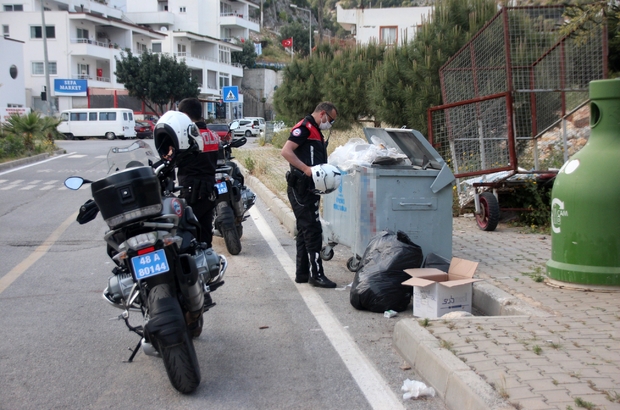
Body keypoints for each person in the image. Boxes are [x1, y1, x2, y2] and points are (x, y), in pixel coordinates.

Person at [281, 102, 338, 288]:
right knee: (312, 230)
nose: (330, 124)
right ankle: (317, 274)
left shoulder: (315, 130)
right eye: (331, 119)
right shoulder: (304, 128)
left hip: (310, 188)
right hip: (301, 188)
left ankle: (302, 273)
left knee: (305, 229)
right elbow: (286, 151)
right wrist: (306, 169)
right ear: (323, 114)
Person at [177, 98, 220, 248]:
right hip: (209, 189)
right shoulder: (213, 135)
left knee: (186, 234)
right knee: (205, 233)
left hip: (191, 191)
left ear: (185, 116)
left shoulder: (187, 137)